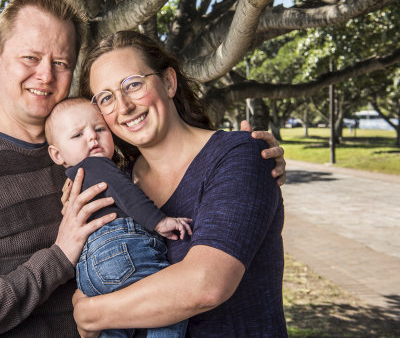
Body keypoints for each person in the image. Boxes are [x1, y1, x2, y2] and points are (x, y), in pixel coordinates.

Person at [0, 0, 286, 337]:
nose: (45, 75)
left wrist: (246, 157)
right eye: (30, 57)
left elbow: (193, 167)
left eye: (60, 62)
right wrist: (57, 258)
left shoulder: (102, 160)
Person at [71, 30, 287, 337]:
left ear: (169, 82)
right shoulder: (116, 183)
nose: (124, 106)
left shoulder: (239, 156)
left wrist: (91, 314)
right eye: (106, 98)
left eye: (133, 84)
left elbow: (206, 284)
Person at [45, 97, 191, 337]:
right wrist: (160, 221)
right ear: (57, 154)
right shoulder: (96, 166)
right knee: (168, 307)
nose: (92, 137)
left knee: (115, 328)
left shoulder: (74, 182)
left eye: (100, 129)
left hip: (90, 275)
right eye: (77, 135)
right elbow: (128, 195)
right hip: (123, 254)